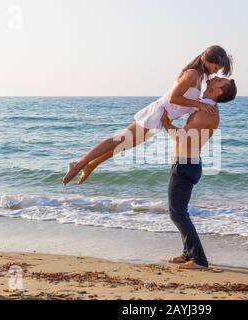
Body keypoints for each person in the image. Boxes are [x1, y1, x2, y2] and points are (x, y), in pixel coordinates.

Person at [62, 45, 233, 186]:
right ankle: (79, 163)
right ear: (207, 60)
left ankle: (91, 165)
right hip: (157, 113)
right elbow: (174, 97)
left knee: (124, 144)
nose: (215, 72)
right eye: (215, 67)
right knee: (119, 140)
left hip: (161, 118)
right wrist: (200, 104)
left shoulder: (200, 77)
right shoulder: (192, 74)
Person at [162, 76, 237, 269]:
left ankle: (199, 260)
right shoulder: (204, 107)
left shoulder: (207, 112)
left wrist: (165, 122)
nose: (216, 77)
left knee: (177, 214)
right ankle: (188, 253)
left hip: (186, 164)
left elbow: (182, 139)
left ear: (219, 91)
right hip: (186, 163)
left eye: (220, 81)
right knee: (179, 212)